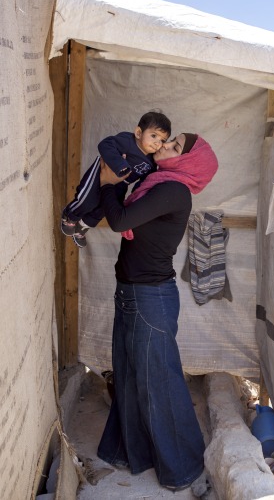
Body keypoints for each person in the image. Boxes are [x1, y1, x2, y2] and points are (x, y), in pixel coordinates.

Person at [96, 133, 218, 496]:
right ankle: (130, 452)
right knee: (132, 377)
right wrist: (116, 184)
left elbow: (119, 221)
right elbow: (126, 219)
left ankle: (183, 467)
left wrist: (108, 184)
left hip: (149, 299)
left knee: (158, 383)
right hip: (135, 293)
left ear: (188, 162)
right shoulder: (156, 182)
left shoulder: (174, 191)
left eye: (175, 146)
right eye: (168, 141)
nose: (164, 146)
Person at [60, 111, 171, 247]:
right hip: (101, 171)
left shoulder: (151, 162)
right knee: (88, 199)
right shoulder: (127, 141)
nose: (157, 143)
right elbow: (105, 145)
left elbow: (145, 181)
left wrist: (136, 193)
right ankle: (70, 216)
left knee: (106, 207)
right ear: (138, 133)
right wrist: (119, 164)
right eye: (154, 135)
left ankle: (82, 227)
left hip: (121, 184)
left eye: (162, 140)